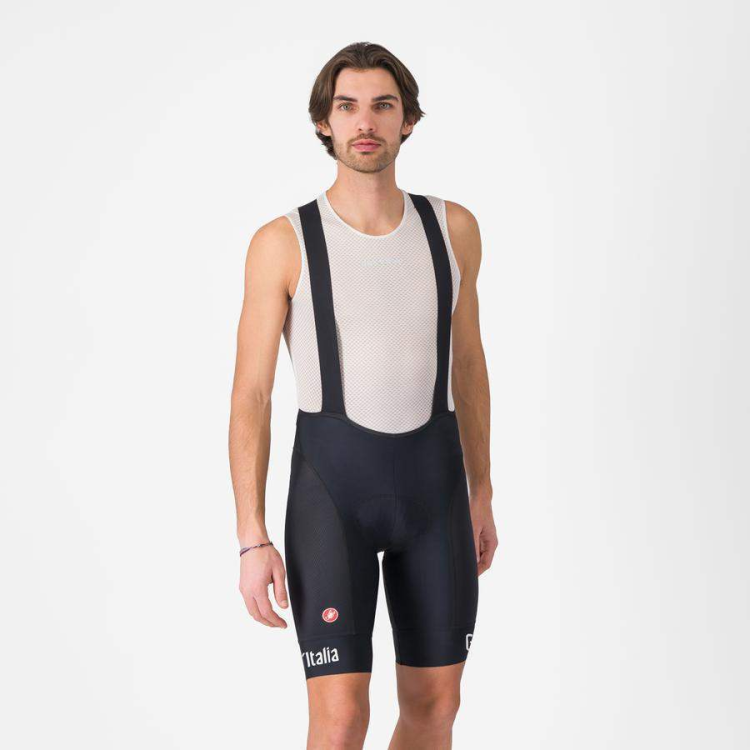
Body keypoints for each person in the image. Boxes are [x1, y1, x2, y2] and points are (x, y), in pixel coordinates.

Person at [229, 41, 497, 749]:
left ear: (408, 120)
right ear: (325, 122)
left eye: (383, 105)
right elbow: (251, 394)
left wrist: (482, 491)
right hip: (331, 497)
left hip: (436, 493)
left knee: (436, 707)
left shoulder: (453, 229)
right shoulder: (283, 241)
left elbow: (469, 366)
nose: (365, 122)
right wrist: (252, 536)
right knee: (342, 717)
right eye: (347, 107)